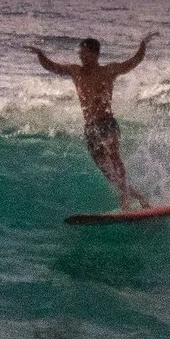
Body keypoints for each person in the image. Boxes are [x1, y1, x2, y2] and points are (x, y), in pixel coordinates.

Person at [30, 33, 157, 208]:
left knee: (114, 155)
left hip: (107, 123)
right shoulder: (76, 71)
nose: (80, 56)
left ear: (96, 54)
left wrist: (142, 45)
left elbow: (133, 62)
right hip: (90, 128)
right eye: (80, 54)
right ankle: (139, 197)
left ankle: (124, 201)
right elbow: (52, 67)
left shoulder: (108, 71)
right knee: (106, 170)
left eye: (84, 53)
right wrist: (40, 55)